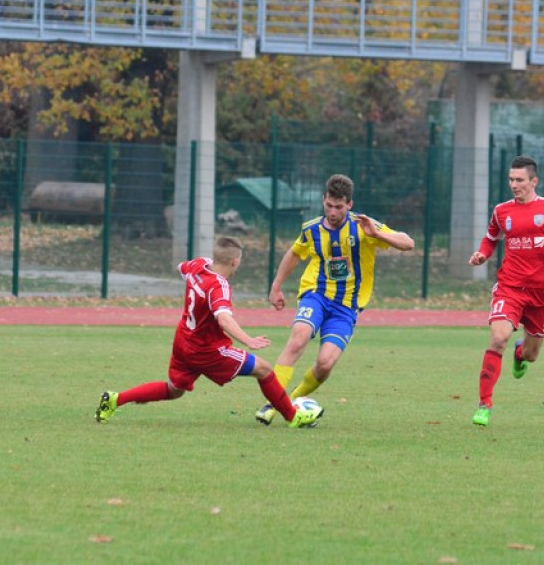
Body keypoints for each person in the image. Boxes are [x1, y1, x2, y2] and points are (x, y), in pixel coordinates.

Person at [95, 236, 323, 428]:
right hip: (208, 350)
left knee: (175, 389)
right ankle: (294, 417)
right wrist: (248, 340)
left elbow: (181, 268)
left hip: (184, 341)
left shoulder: (198, 265)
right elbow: (223, 318)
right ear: (234, 261)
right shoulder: (219, 285)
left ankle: (115, 400)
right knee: (264, 369)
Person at [254, 173, 415, 425]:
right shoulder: (311, 229)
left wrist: (378, 234)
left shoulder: (363, 226)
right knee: (298, 338)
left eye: (338, 207)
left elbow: (408, 243)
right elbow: (294, 254)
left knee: (325, 363)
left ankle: (289, 399)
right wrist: (276, 286)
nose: (332, 212)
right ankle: (273, 404)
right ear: (323, 200)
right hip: (315, 295)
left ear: (349, 205)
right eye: (328, 205)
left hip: (347, 306)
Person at [468, 155, 544, 427]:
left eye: (520, 180)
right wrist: (482, 256)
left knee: (532, 355)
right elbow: (490, 239)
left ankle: (520, 353)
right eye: (511, 179)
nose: (514, 184)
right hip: (510, 287)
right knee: (498, 338)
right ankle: (484, 404)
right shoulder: (501, 211)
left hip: (542, 292)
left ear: (534, 181)